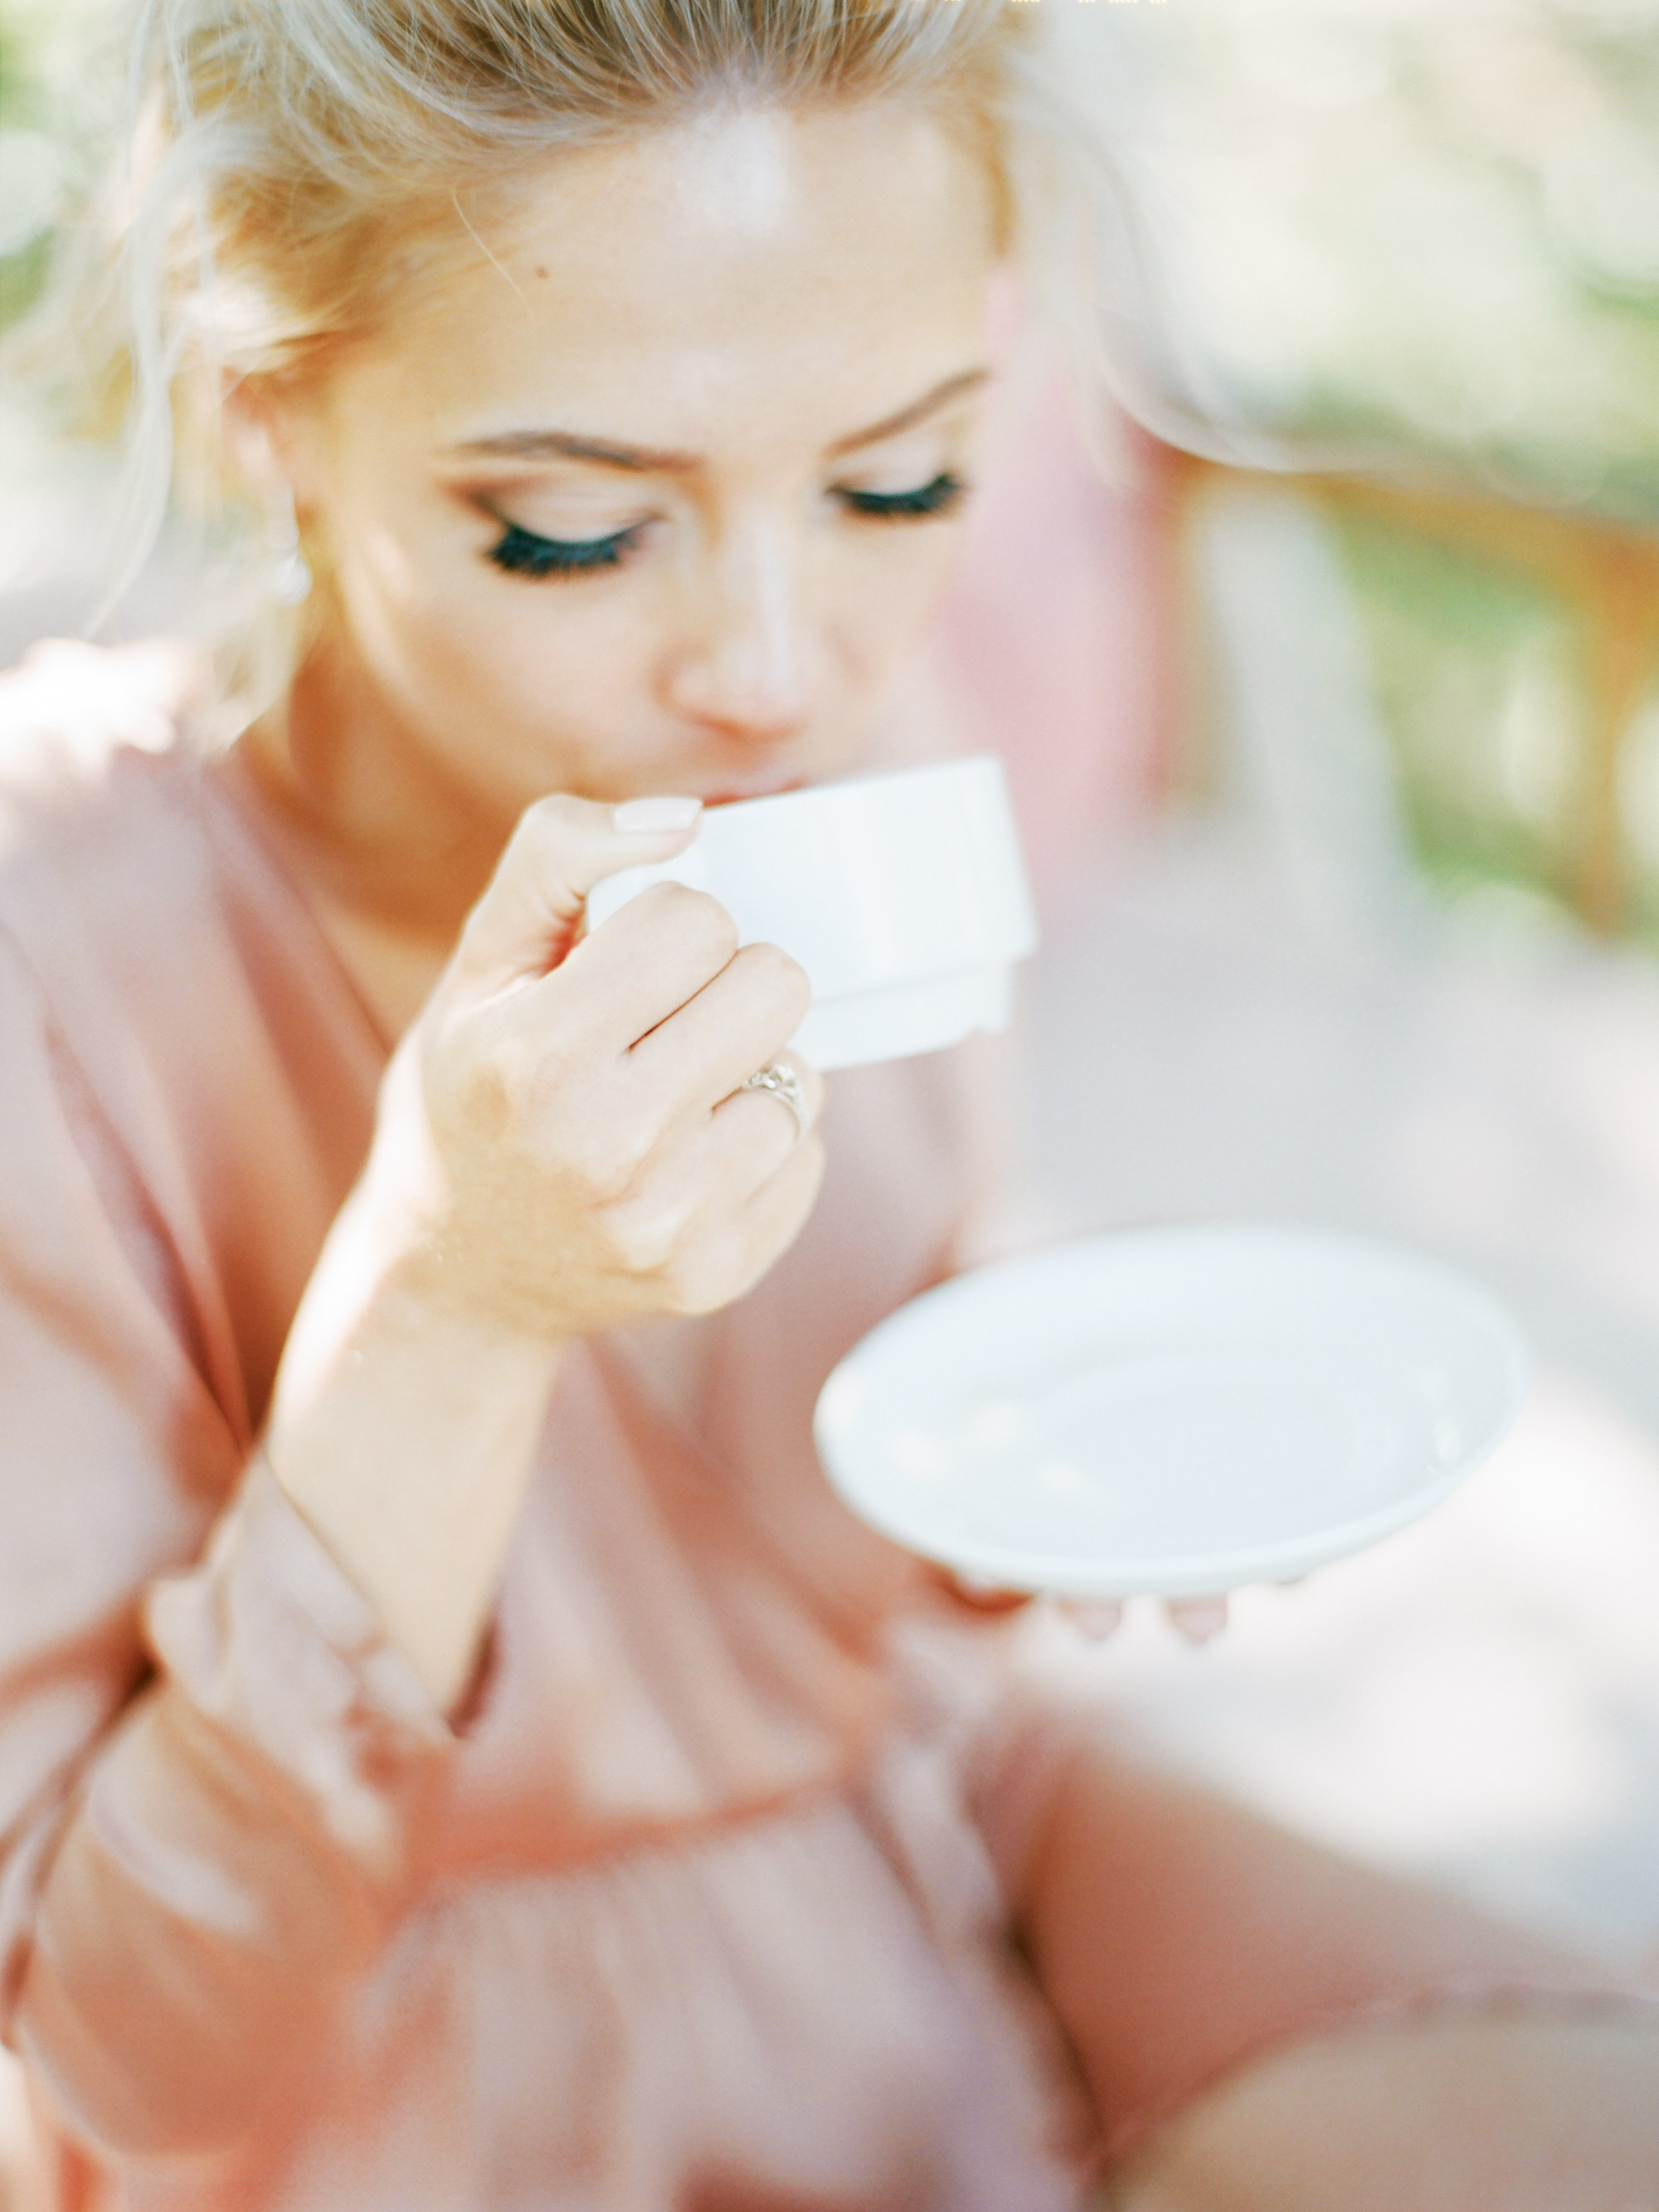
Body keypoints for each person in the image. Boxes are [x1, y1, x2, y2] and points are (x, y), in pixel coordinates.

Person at [1, 2, 1656, 2205]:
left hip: (917, 1833)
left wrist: (1050, 1465)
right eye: (579, 530)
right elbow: (129, 2058)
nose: (781, 669)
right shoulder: (51, 955)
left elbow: (873, 1589)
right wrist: (457, 1302)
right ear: (262, 411)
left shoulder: (859, 754)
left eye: (901, 483)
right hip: (370, 2070)